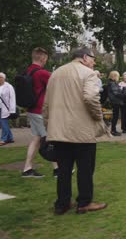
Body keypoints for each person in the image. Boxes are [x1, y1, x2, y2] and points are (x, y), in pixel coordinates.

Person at [43, 47, 108, 215]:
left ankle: (62, 204)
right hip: (82, 131)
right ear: (85, 57)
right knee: (85, 169)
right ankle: (84, 203)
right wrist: (97, 117)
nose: (94, 62)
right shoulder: (88, 73)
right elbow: (91, 98)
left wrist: (48, 125)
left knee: (63, 170)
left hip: (59, 131)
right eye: (93, 59)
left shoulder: (55, 74)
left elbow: (46, 104)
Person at [22, 47, 58, 178]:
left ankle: (27, 168)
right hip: (40, 111)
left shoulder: (27, 71)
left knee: (36, 139)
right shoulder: (42, 73)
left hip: (31, 109)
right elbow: (58, 84)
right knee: (49, 139)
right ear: (43, 58)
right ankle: (57, 169)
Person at [107, 71, 126, 136]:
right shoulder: (112, 83)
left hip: (115, 101)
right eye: (117, 76)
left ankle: (113, 130)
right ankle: (113, 130)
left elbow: (117, 91)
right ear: (114, 76)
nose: (118, 77)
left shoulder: (112, 83)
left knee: (115, 116)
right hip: (115, 101)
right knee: (115, 116)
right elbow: (116, 93)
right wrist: (124, 94)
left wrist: (122, 91)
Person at [0, 72, 16, 146]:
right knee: (4, 123)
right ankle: (10, 138)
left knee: (3, 123)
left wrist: (12, 110)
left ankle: (3, 139)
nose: (0, 79)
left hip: (5, 108)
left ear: (4, 78)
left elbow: (12, 98)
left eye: (1, 77)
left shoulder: (9, 86)